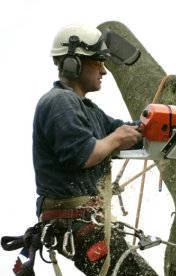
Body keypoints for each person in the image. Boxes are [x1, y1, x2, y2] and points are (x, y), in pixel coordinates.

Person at [32, 24, 158, 275]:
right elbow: (82, 155)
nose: (104, 70)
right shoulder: (60, 103)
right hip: (74, 219)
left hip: (84, 220)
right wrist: (114, 140)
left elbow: (130, 134)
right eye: (98, 62)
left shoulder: (86, 108)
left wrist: (174, 121)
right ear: (73, 64)